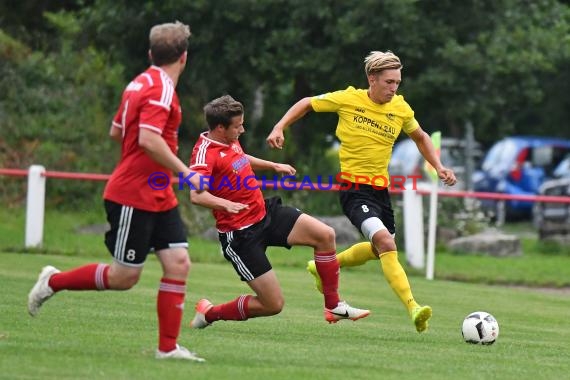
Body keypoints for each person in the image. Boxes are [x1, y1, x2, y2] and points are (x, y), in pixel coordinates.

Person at [27, 21, 205, 361]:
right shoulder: (162, 89)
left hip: (158, 192)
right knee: (124, 277)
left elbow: (116, 131)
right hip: (133, 194)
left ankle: (167, 349)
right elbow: (147, 139)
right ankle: (53, 281)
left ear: (152, 53)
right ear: (184, 57)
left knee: (179, 263)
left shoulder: (138, 83)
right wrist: (186, 173)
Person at [266, 50, 457, 333]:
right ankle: (413, 307)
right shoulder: (348, 99)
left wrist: (438, 165)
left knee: (379, 248)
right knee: (387, 244)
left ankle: (324, 265)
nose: (394, 88)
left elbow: (421, 137)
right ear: (372, 79)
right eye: (389, 82)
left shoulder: (401, 108)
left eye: (397, 83)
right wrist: (280, 126)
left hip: (381, 192)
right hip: (354, 190)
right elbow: (306, 103)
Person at [187, 95, 370, 329]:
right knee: (273, 305)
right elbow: (196, 195)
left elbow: (239, 158)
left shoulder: (228, 139)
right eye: (238, 126)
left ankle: (333, 307)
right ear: (220, 128)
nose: (242, 129)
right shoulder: (204, 153)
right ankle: (209, 313)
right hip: (241, 235)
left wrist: (273, 165)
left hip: (266, 214)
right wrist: (226, 205)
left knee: (325, 235)